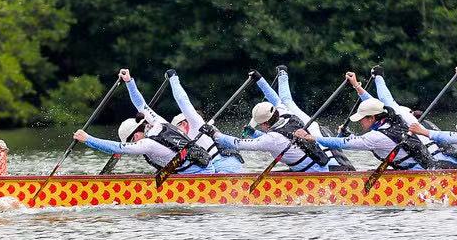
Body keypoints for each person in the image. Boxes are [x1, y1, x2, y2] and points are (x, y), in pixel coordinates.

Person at [74, 69, 242, 174]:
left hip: (215, 172)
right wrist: (129, 82)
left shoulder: (148, 144)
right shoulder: (158, 122)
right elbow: (140, 104)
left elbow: (116, 147)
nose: (133, 143)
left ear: (137, 133)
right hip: (203, 169)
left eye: (132, 140)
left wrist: (88, 139)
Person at [310, 73, 437, 170]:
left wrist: (312, 138)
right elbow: (375, 103)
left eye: (362, 119)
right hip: (424, 167)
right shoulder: (393, 119)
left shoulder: (377, 137)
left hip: (419, 174)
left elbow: (341, 143)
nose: (360, 122)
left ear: (372, 118)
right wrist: (356, 85)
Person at [364, 69, 457, 168]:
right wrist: (359, 87)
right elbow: (376, 106)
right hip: (447, 162)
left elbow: (384, 100)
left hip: (441, 165)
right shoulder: (400, 125)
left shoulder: (403, 120)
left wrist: (378, 77)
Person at [213, 98, 333, 172]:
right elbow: (280, 139)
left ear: (265, 124)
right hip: (318, 166)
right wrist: (254, 133)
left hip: (312, 175)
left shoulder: (272, 139)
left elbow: (239, 144)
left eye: (259, 125)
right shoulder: (287, 117)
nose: (259, 126)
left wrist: (215, 135)